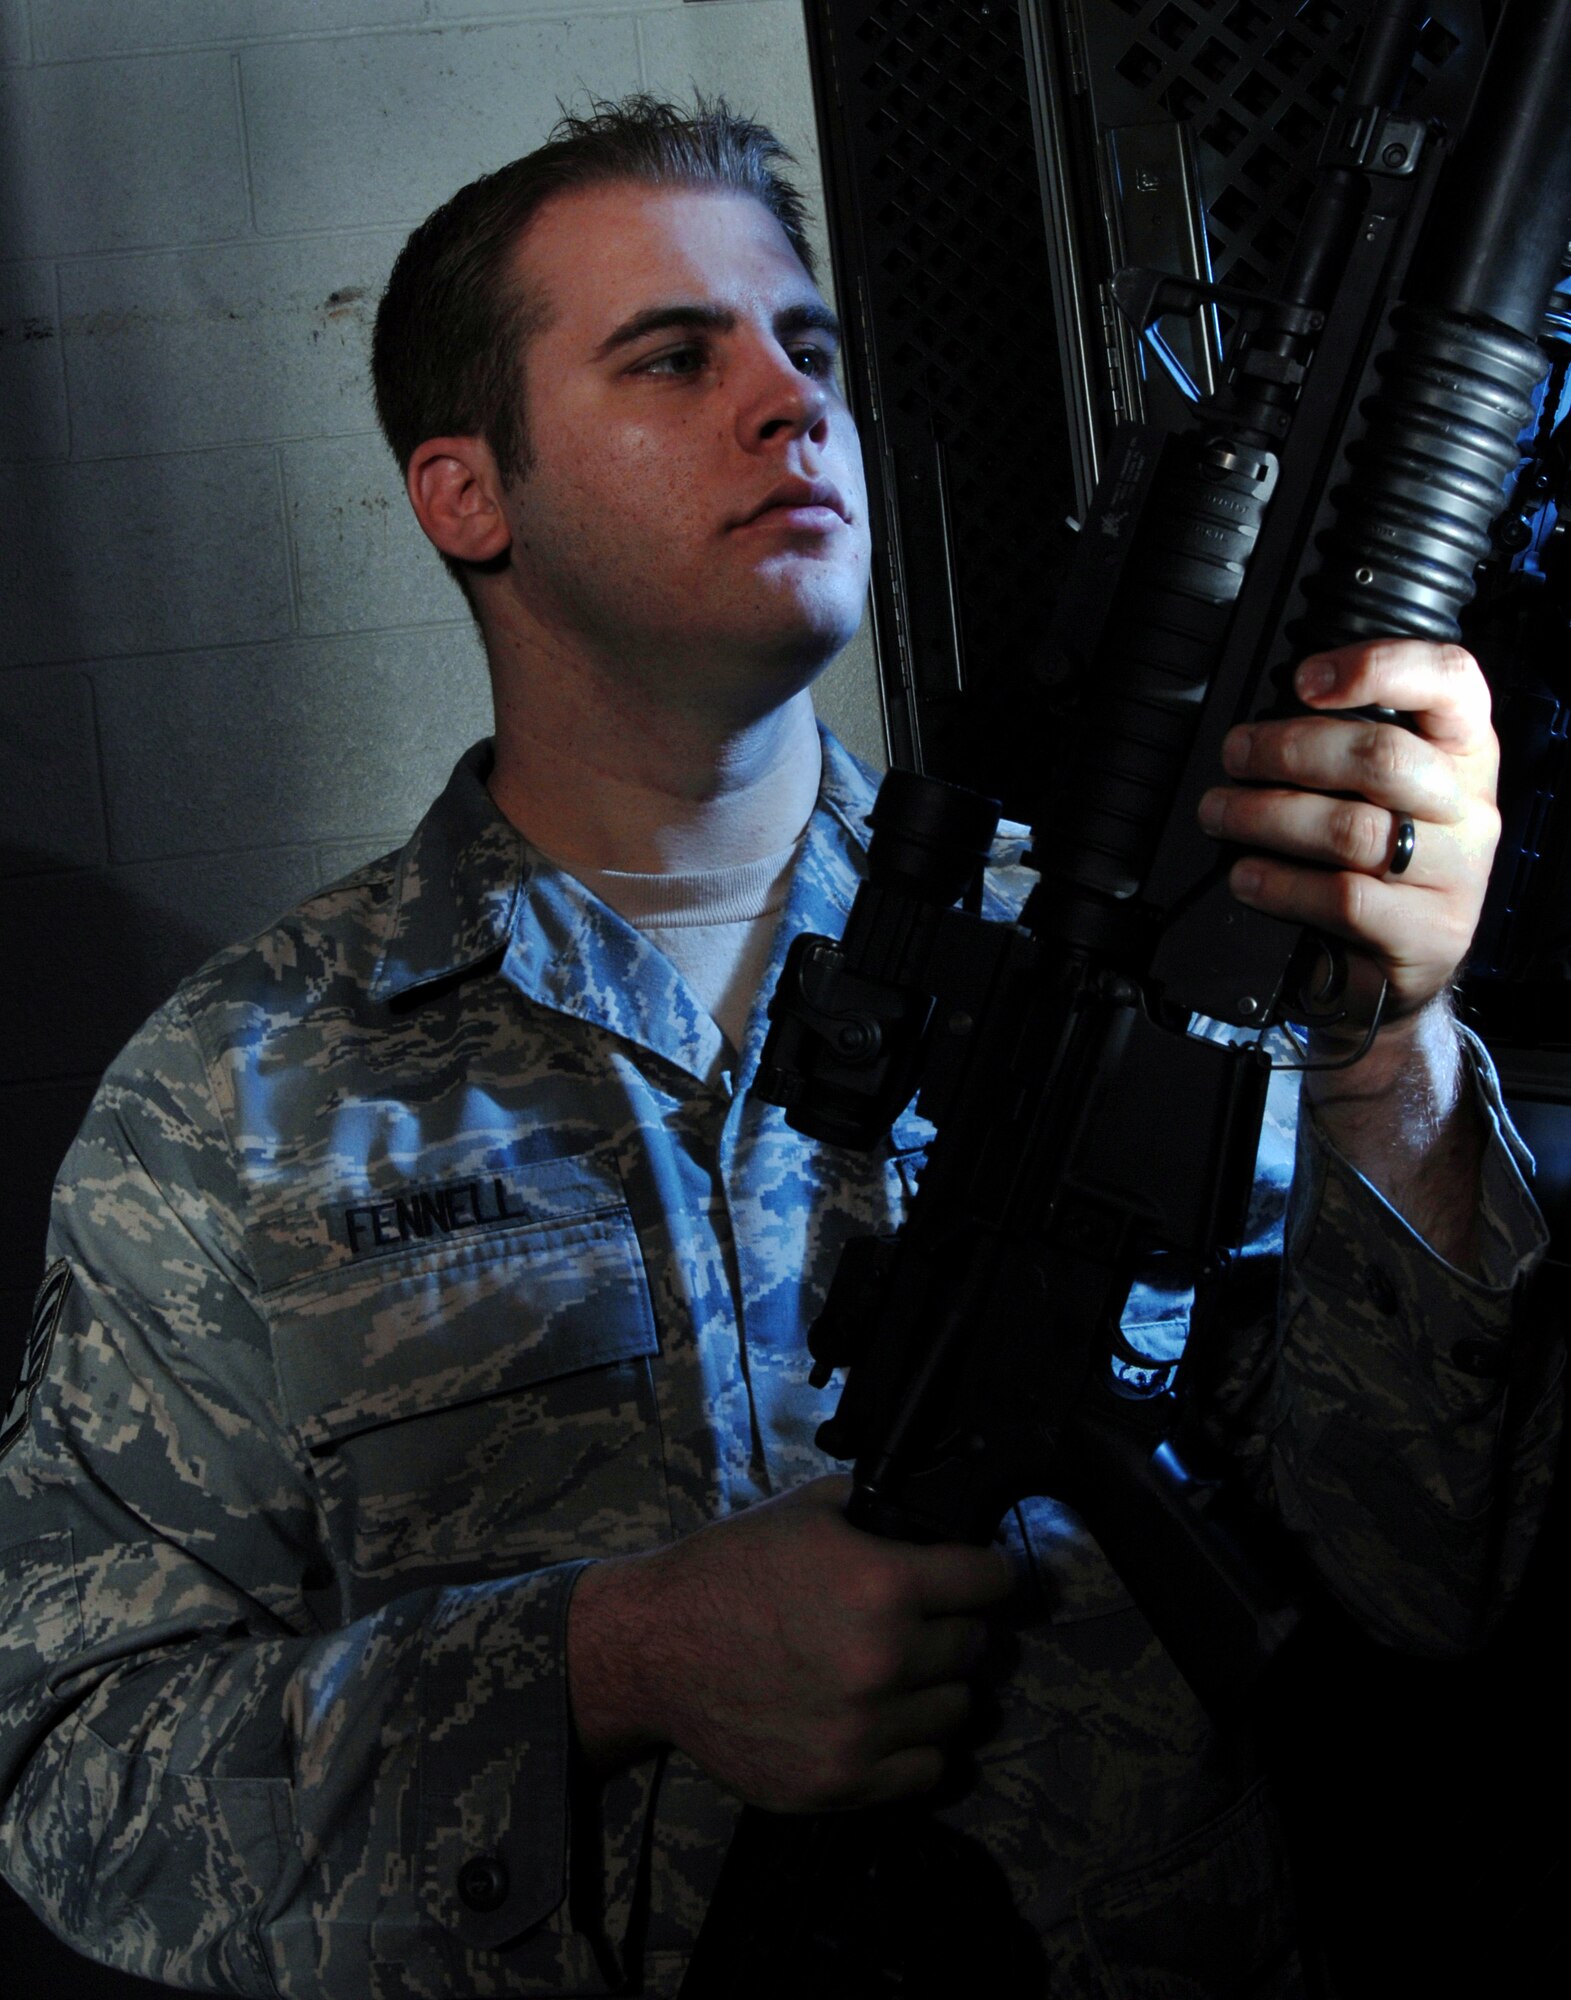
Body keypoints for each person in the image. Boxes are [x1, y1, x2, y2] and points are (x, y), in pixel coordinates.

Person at [0, 97, 1554, 1999]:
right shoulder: (234, 1093)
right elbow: (72, 1777)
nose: (788, 399)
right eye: (674, 355)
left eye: (807, 346)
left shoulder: (1143, 963)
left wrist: (1390, 1063)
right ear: (466, 493)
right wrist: (613, 1661)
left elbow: (1441, 1572)